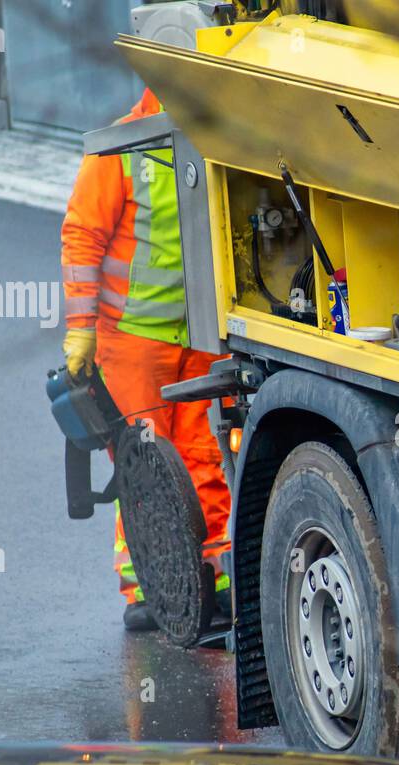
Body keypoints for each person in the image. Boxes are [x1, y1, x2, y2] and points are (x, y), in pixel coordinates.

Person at [60, 88, 230, 630]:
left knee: (205, 456)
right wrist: (81, 332)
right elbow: (82, 239)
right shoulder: (118, 151)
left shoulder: (210, 135)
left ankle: (213, 579)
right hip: (133, 339)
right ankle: (146, 588)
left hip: (199, 336)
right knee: (145, 466)